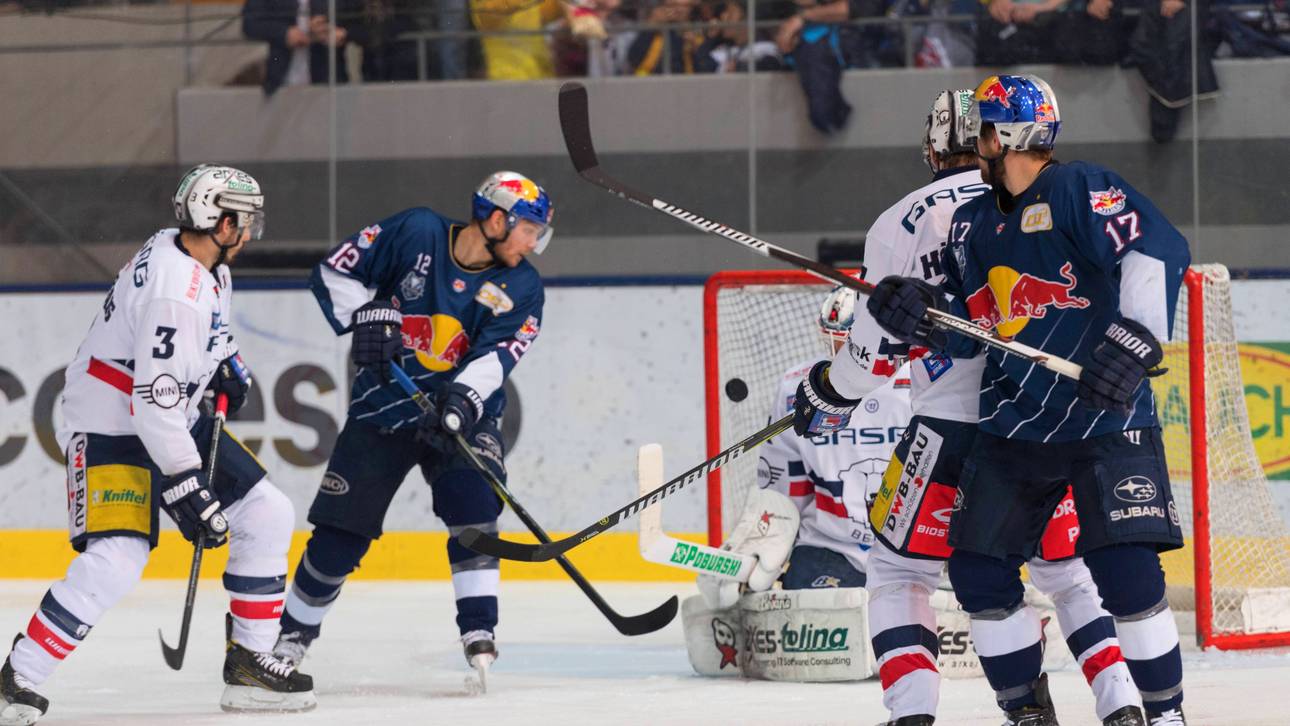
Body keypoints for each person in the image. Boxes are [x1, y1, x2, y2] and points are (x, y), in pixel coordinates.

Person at [791, 90, 1146, 725]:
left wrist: (827, 390)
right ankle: (1123, 708)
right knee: (1067, 578)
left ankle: (920, 715)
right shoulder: (1041, 198)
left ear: (932, 148)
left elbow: (871, 360)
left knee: (900, 575)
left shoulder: (901, 221)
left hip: (949, 430)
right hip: (1046, 421)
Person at [864, 75, 1191, 725]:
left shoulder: (1079, 189)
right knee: (981, 573)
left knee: (1126, 575)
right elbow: (969, 330)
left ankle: (1168, 715)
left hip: (1106, 413)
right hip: (1018, 421)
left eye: (982, 128)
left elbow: (1159, 248)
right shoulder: (973, 222)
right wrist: (919, 316)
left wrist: (1133, 343)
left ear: (1002, 135)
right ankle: (1027, 713)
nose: (973, 140)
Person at [0, 165, 314, 723]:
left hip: (161, 414)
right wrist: (186, 482)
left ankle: (249, 661)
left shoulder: (196, 257)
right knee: (118, 556)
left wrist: (226, 362)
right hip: (110, 425)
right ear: (219, 221)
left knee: (266, 512)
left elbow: (201, 341)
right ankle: (16, 677)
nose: (251, 231)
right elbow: (153, 402)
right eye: (245, 220)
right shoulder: (178, 290)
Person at [275, 171, 551, 682]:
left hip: (456, 416)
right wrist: (369, 317)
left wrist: (461, 403)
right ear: (496, 218)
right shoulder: (417, 231)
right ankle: (292, 637)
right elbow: (334, 272)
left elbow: (496, 357)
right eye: (530, 229)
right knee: (339, 537)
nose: (535, 242)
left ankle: (478, 631)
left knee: (474, 504)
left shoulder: (522, 286)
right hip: (382, 408)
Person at [760, 285, 911, 591]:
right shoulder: (797, 390)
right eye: (832, 343)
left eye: (849, 346)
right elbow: (784, 485)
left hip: (915, 550)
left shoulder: (926, 385)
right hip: (831, 548)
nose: (837, 355)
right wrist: (763, 546)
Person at [241, 0, 359, 95]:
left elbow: (362, 23)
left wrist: (341, 32)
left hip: (329, 84)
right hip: (281, 83)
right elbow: (249, 24)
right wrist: (284, 33)